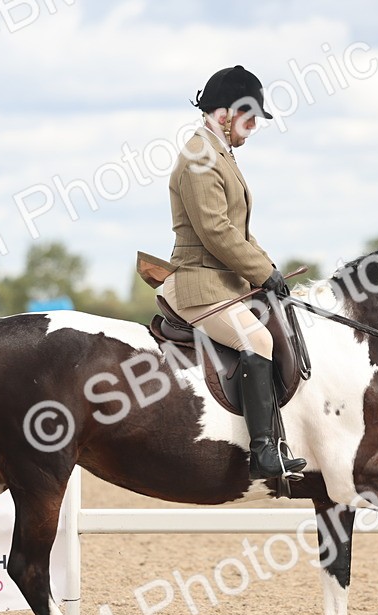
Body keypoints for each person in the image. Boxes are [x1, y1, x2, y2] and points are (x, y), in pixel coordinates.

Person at [161, 64, 306, 480]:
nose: (253, 128)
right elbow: (216, 231)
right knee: (258, 339)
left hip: (224, 282)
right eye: (249, 119)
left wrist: (271, 269)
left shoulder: (219, 153)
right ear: (224, 115)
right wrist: (262, 273)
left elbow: (239, 230)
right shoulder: (199, 158)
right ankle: (263, 452)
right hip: (199, 283)